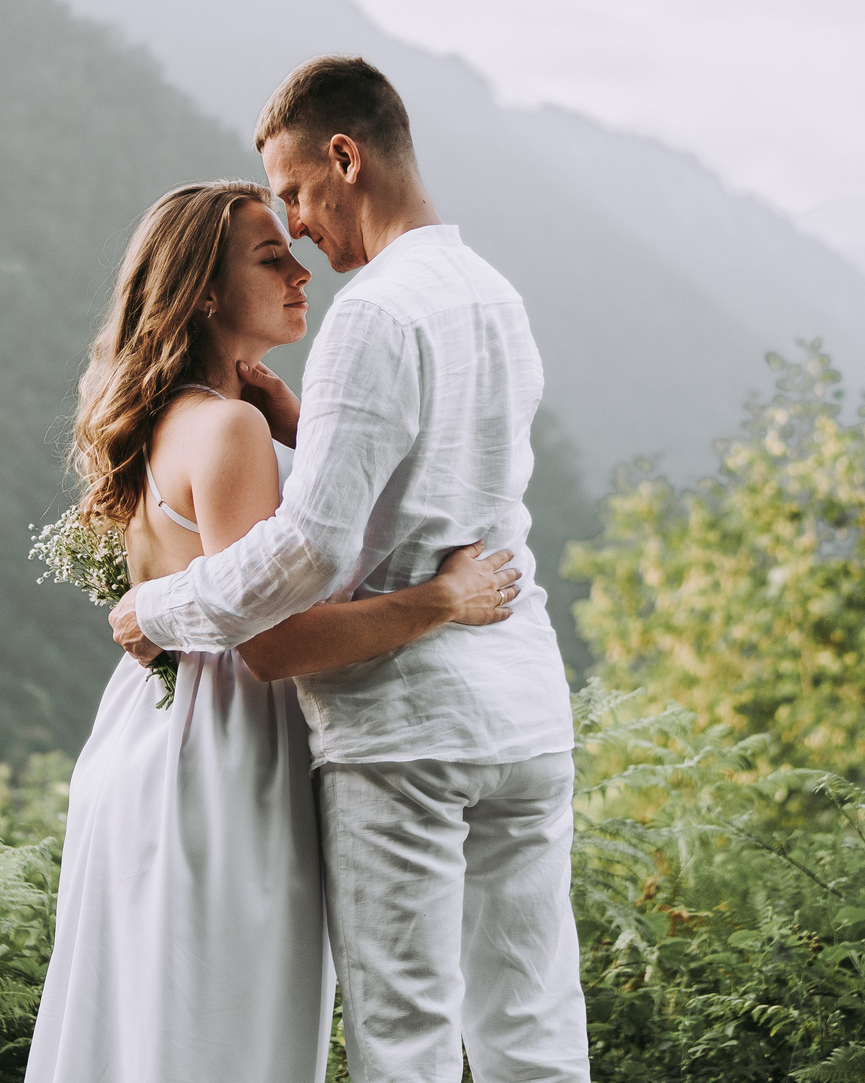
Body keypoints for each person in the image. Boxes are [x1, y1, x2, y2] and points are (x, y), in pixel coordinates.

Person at [111, 57, 590, 1083]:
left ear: (344, 157)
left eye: (293, 193)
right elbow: (445, 476)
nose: (296, 223)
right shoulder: (494, 294)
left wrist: (164, 605)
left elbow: (311, 550)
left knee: (406, 1042)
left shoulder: (371, 314)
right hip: (526, 709)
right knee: (533, 1029)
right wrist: (304, 424)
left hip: (406, 732)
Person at [27, 179, 524, 1083]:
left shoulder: (171, 419)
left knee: (150, 1029)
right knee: (224, 1035)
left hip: (143, 738)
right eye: (269, 257)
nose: (301, 270)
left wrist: (296, 423)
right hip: (225, 759)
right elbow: (273, 643)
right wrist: (443, 601)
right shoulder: (228, 430)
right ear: (205, 292)